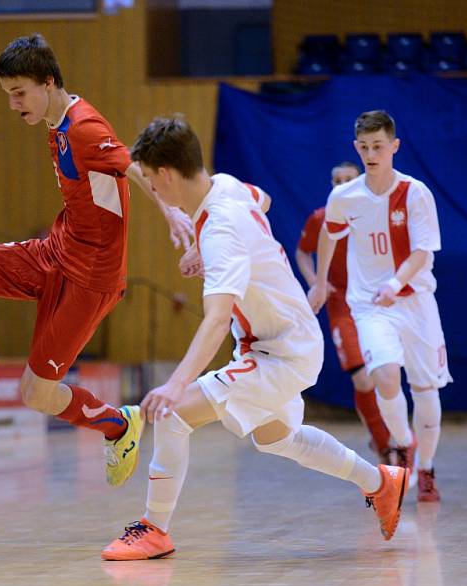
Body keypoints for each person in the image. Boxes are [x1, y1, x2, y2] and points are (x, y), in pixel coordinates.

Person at [101, 117, 407, 561]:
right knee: (280, 439)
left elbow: (216, 319)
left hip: (279, 349)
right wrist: (202, 251)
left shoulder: (220, 229)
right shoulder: (225, 185)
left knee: (173, 415)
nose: (155, 194)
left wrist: (175, 384)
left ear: (166, 174)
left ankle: (154, 528)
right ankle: (382, 483)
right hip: (284, 339)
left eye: (149, 181)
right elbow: (262, 199)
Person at [0, 34, 193, 488]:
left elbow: (132, 165)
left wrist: (172, 211)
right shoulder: (55, 123)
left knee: (36, 394)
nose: (14, 104)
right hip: (54, 252)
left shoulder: (83, 127)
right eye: (8, 95)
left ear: (48, 82)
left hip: (90, 278)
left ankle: (119, 426)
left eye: (19, 93)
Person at [307, 110, 451, 503]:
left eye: (378, 146)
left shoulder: (415, 193)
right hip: (370, 305)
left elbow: (423, 252)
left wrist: (395, 283)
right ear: (357, 147)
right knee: (385, 377)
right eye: (365, 147)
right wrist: (320, 282)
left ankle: (427, 468)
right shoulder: (344, 197)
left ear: (394, 147)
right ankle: (402, 444)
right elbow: (328, 236)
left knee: (425, 391)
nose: (371, 154)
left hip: (417, 303)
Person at [296, 161, 393, 465]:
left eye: (348, 180)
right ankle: (384, 447)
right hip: (343, 308)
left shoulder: (377, 216)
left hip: (375, 306)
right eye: (336, 180)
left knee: (385, 376)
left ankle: (397, 439)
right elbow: (302, 252)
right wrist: (317, 283)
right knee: (362, 380)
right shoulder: (320, 219)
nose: (341, 185)